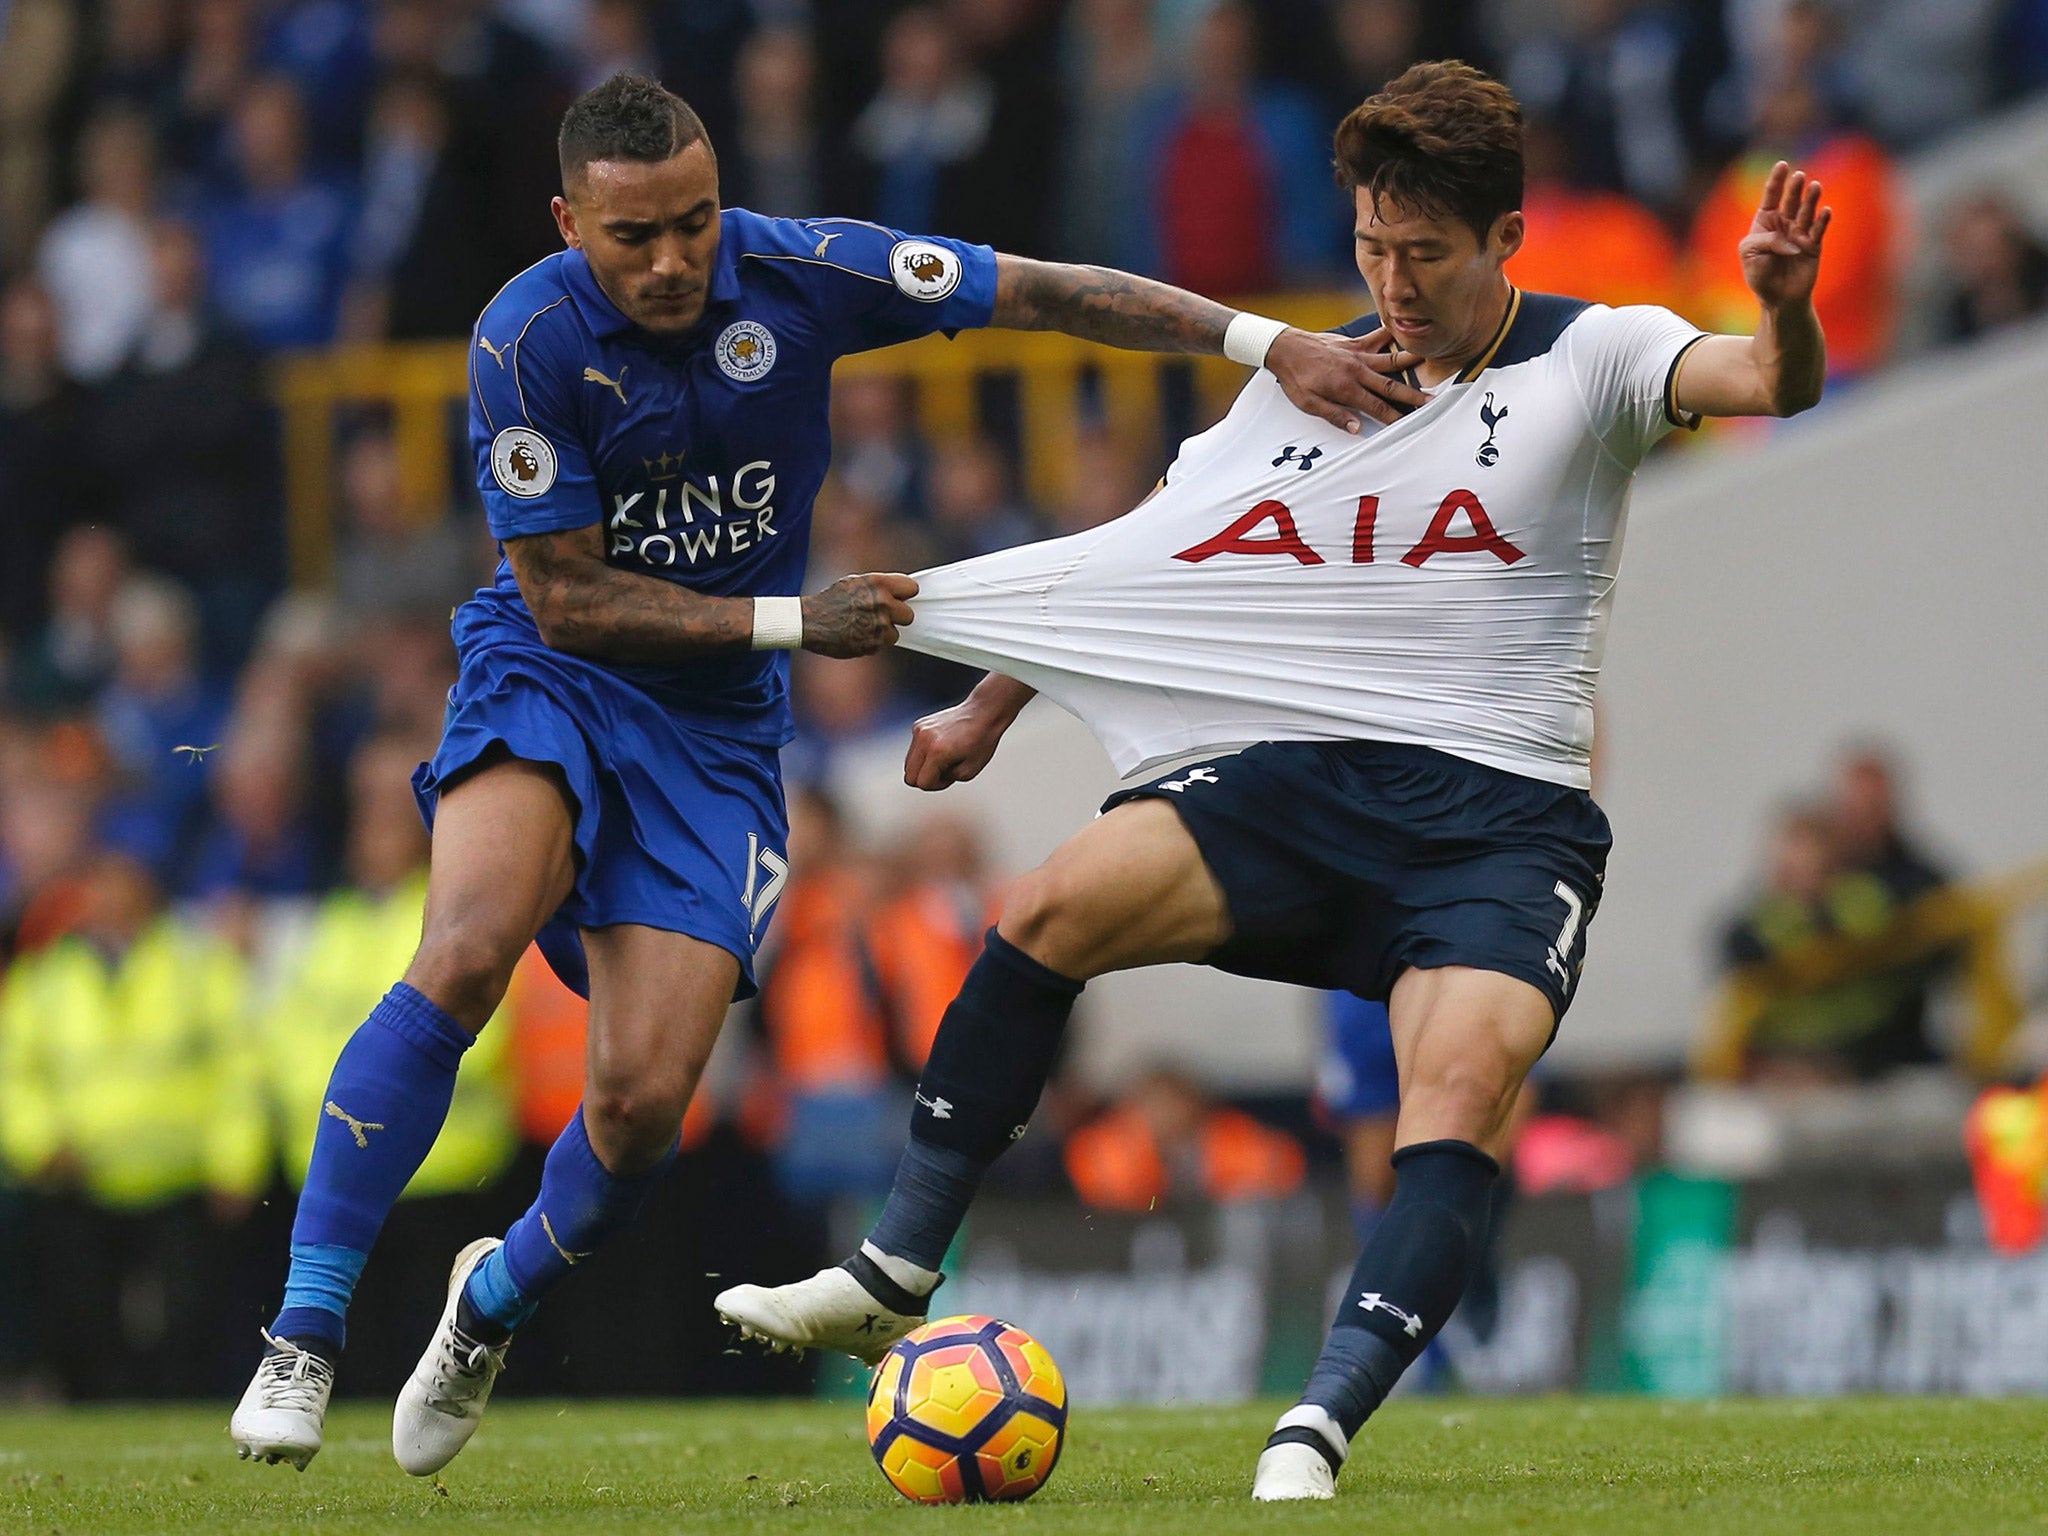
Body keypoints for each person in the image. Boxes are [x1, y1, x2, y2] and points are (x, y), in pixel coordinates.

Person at [228, 70, 1423, 1475]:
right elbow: (563, 598)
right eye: (635, 238)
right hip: (556, 674)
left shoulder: (802, 272)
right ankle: (303, 1341)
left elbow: (1044, 292)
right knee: (465, 949)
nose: (676, 260)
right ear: (570, 223)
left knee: (638, 1109)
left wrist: (1262, 342)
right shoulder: (524, 336)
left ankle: (486, 1308)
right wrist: (805, 618)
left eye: (695, 220)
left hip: (718, 731)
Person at [717, 60, 1831, 1501]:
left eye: (1424, 253)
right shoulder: (1305, 389)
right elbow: (1147, 566)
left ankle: (1318, 1423)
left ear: (1506, 239)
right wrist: (992, 701)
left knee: (1461, 1085)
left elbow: (1764, 382)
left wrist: (1787, 306)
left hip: (1502, 820)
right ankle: (891, 1268)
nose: (1392, 282)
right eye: (1372, 246)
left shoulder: (1597, 357)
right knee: (1050, 902)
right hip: (1306, 787)